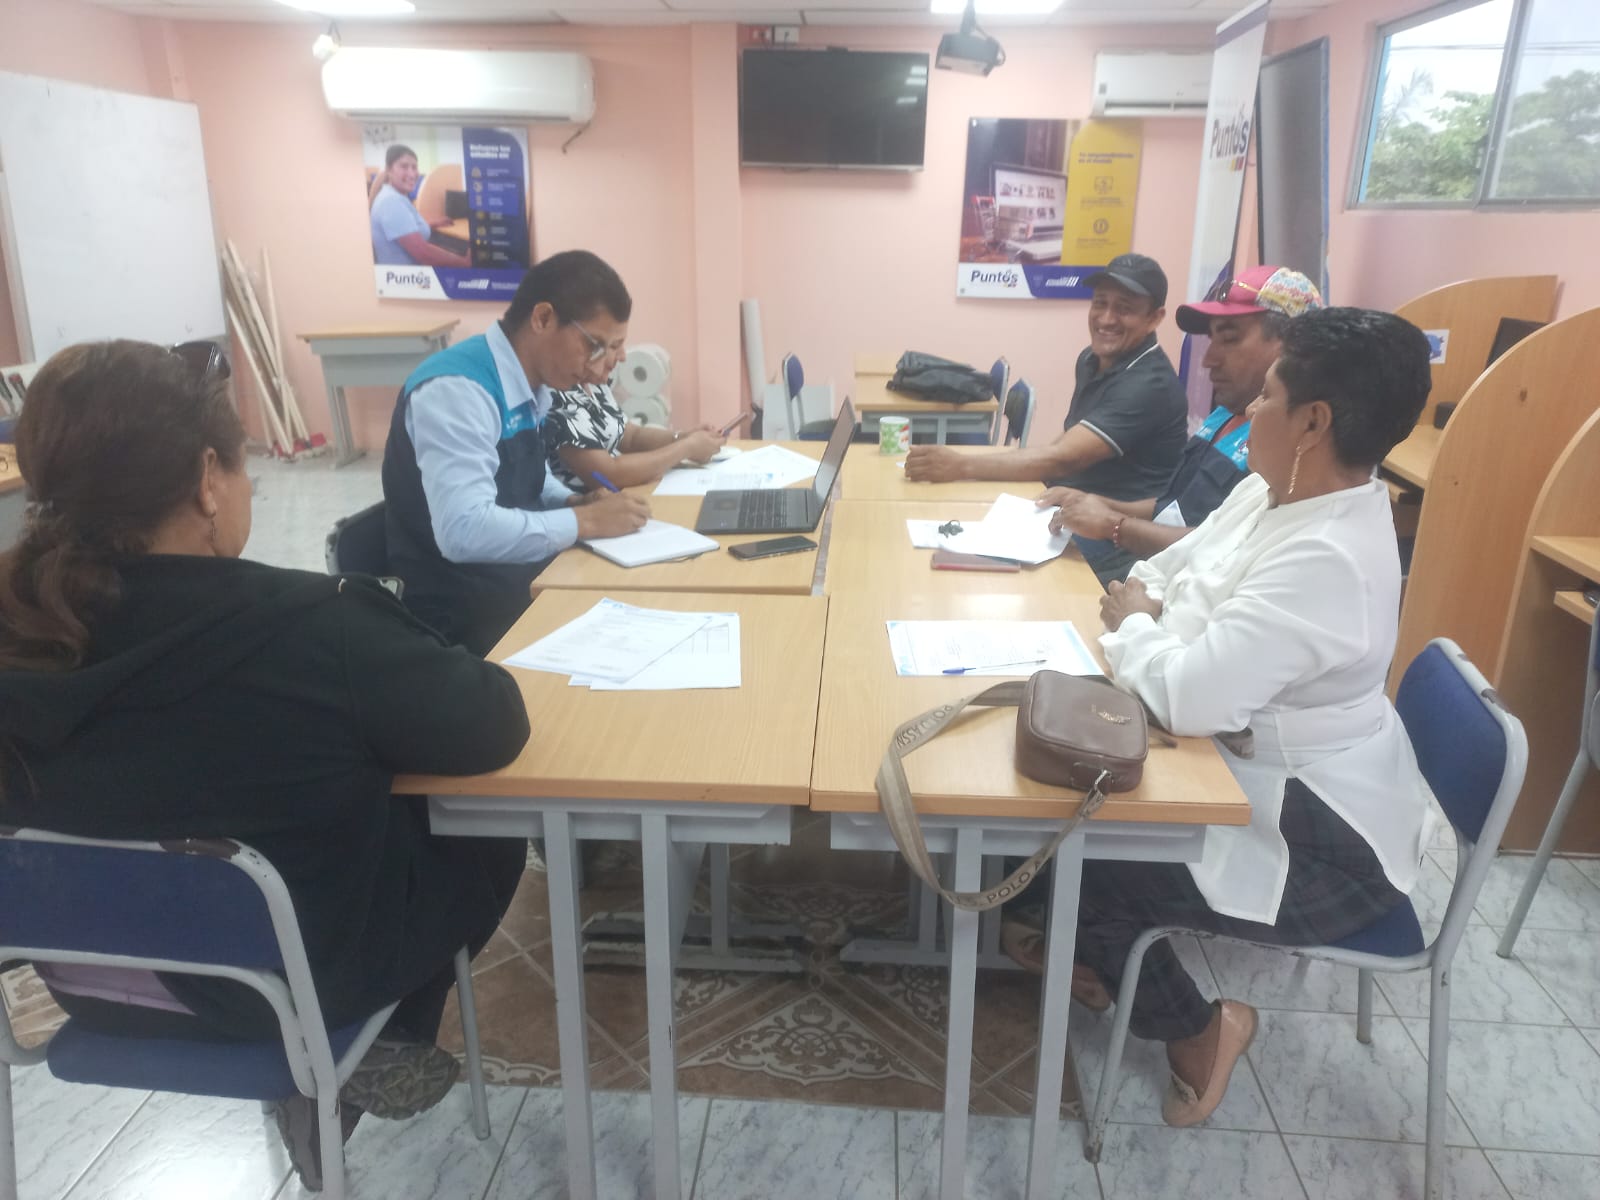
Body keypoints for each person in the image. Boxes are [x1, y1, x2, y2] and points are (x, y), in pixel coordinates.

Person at [0, 340, 532, 1188]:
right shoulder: (314, 626)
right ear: (208, 480)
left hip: (91, 985)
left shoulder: (20, 624)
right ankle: (385, 1037)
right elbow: (492, 725)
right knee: (480, 829)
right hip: (290, 990)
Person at [1008, 308, 1439, 1129]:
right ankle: (1090, 960)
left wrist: (1143, 630)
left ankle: (1204, 1035)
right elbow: (1168, 573)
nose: (1249, 409)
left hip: (1328, 834)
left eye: (1269, 394)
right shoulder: (1273, 491)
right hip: (1237, 759)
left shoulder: (1327, 555)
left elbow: (1190, 694)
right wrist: (1155, 628)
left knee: (1087, 864)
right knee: (1052, 799)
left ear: (1313, 422)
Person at [383, 249, 651, 655]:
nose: (599, 364)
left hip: (514, 580)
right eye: (594, 345)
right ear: (542, 319)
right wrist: (584, 521)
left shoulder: (533, 383)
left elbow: (531, 478)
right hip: (460, 619)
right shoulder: (458, 390)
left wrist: (574, 501)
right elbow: (463, 531)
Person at [1038, 265, 1325, 585]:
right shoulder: (1225, 413)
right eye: (1212, 340)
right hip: (1143, 560)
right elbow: (1173, 506)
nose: (1208, 359)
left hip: (1176, 585)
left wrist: (1113, 524)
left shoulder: (1288, 443)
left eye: (1229, 339)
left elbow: (1228, 548)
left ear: (1291, 347)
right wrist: (1096, 503)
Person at [903, 253, 1186, 502]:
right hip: (1067, 503)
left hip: (1110, 529)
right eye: (1100, 303)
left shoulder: (1149, 385)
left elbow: (1065, 459)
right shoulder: (1090, 359)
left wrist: (960, 466)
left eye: (1124, 309)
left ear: (1154, 318)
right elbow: (1066, 444)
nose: (1106, 319)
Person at [544, 379, 726, 492]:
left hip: (621, 501)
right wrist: (687, 447)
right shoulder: (557, 395)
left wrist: (681, 437)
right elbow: (608, 474)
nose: (622, 356)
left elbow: (630, 436)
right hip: (585, 516)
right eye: (612, 346)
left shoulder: (593, 383)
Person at [368, 144, 471, 270]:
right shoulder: (391, 201)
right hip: (406, 278)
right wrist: (464, 262)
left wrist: (432, 224)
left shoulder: (391, 195)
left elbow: (404, 228)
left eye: (414, 167)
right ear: (389, 170)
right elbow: (423, 253)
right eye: (404, 166)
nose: (412, 174)